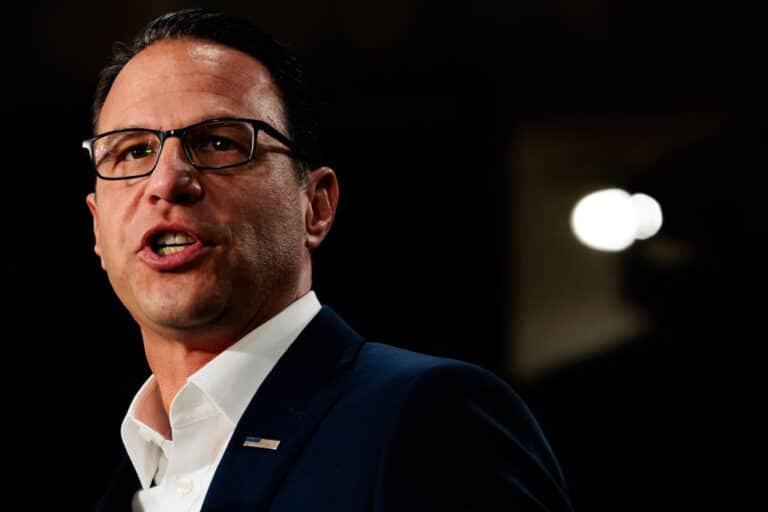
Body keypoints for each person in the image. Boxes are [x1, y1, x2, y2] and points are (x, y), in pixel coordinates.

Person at [83, 8, 573, 511]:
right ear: (97, 225)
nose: (167, 181)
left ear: (316, 205)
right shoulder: (119, 485)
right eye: (133, 151)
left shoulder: (429, 415)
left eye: (219, 143)